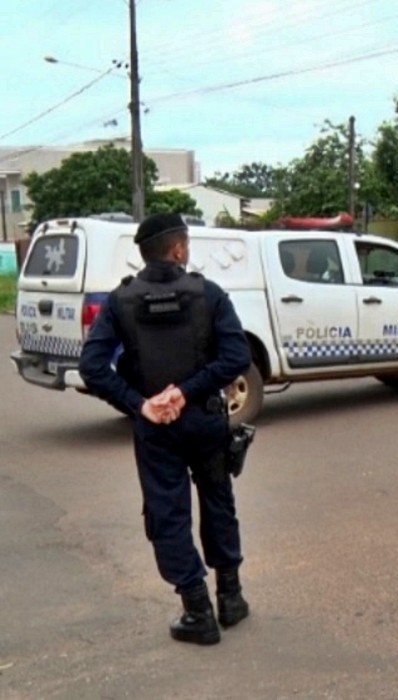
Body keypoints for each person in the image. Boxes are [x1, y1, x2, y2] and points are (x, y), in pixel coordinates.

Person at [78, 212, 253, 646]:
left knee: (168, 513)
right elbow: (236, 357)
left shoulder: (122, 302)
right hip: (206, 420)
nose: (187, 250)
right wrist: (188, 392)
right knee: (218, 502)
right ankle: (231, 599)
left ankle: (199, 613)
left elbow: (92, 367)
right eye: (187, 244)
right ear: (177, 250)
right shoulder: (209, 294)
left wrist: (143, 404)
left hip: (156, 428)